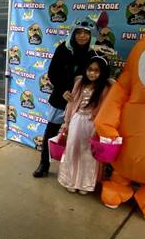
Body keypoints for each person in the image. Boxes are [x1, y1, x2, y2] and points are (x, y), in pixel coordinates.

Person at [33, 17, 97, 178]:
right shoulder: (63, 49)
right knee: (51, 130)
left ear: (91, 35)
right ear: (73, 34)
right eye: (79, 33)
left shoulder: (93, 54)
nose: (82, 36)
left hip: (82, 101)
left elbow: (96, 76)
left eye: (86, 33)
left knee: (79, 135)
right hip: (61, 98)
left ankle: (75, 170)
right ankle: (44, 163)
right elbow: (52, 73)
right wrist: (63, 90)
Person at [57, 57, 113, 194]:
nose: (92, 73)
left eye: (96, 71)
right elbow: (72, 103)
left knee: (88, 153)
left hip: (92, 124)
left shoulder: (106, 88)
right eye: (90, 70)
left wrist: (100, 127)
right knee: (72, 149)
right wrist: (67, 122)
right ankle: (70, 180)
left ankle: (84, 184)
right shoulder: (80, 82)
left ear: (102, 72)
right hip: (77, 120)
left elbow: (106, 109)